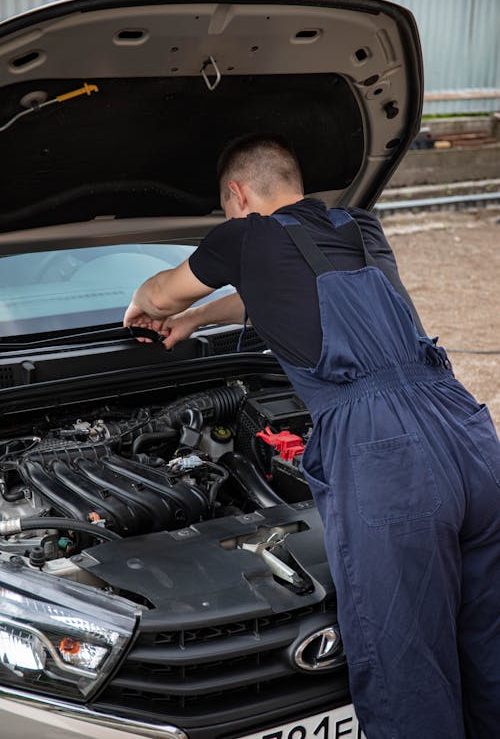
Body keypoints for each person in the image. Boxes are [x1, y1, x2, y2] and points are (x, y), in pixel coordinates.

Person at [124, 134, 500, 739]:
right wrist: (197, 320)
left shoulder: (242, 236)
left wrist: (145, 306)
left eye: (227, 209)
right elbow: (273, 291)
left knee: (406, 664)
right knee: (487, 643)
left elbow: (164, 289)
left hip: (386, 451)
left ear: (237, 195)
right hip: (466, 431)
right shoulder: (358, 228)